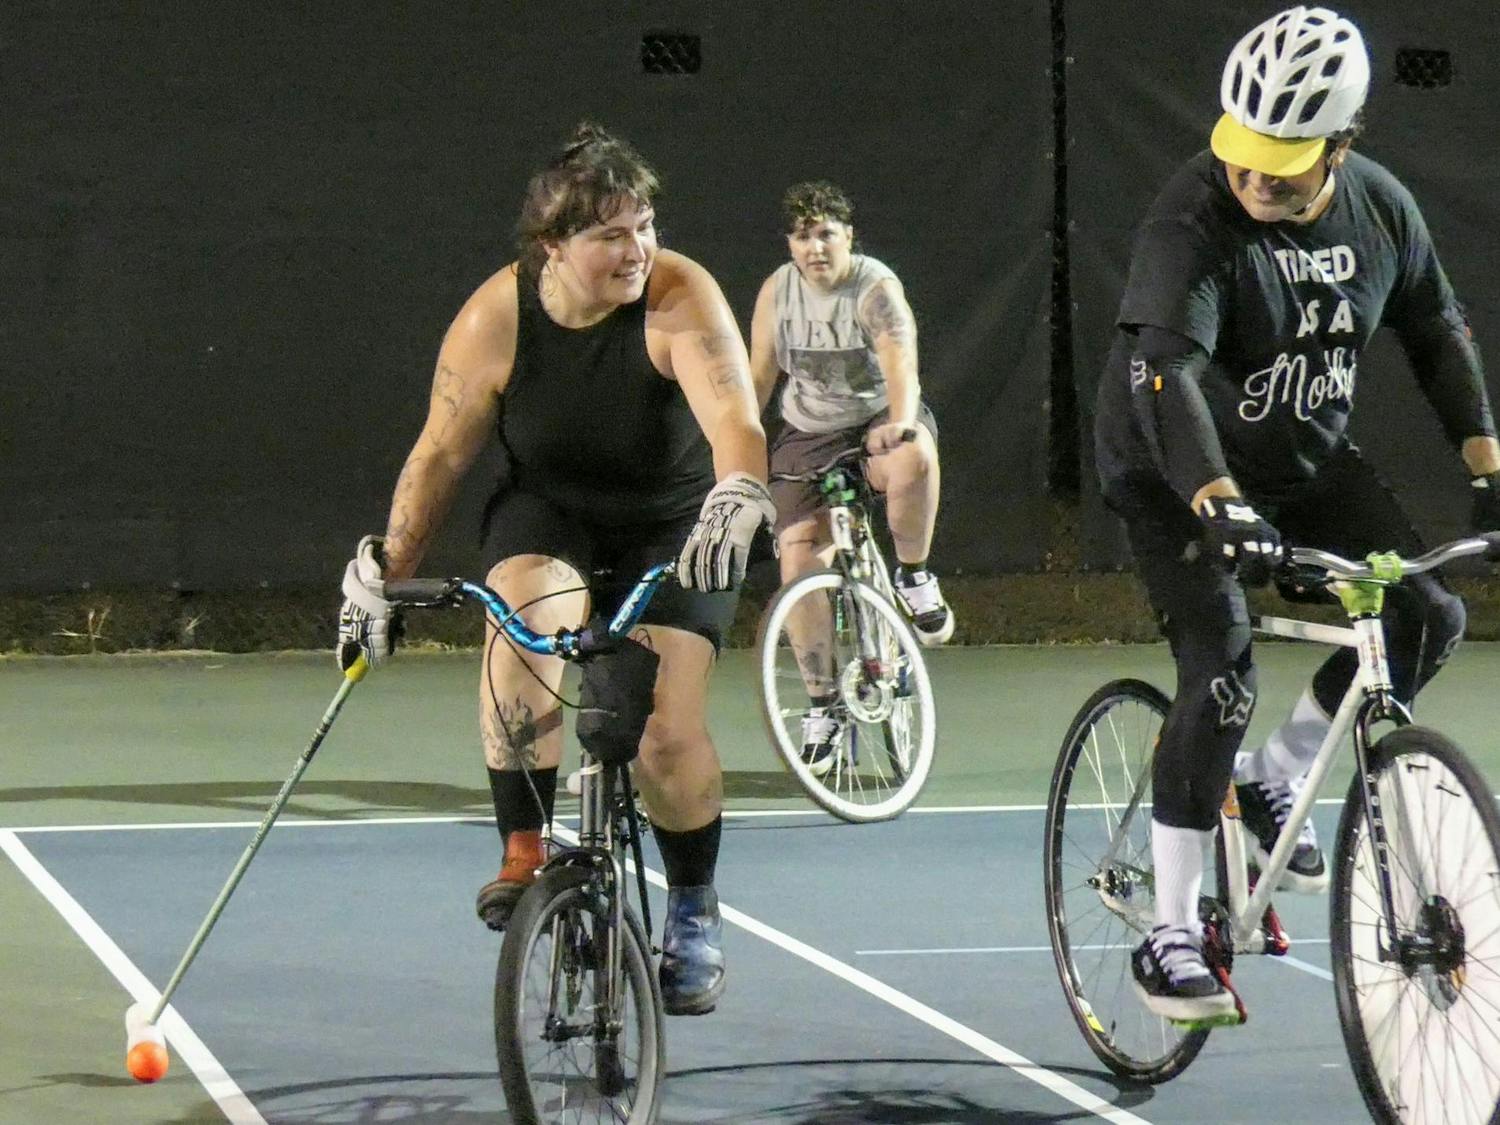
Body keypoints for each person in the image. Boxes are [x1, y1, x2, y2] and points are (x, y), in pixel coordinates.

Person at [1093, 6, 1500, 1023]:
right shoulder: (1192, 217)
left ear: (1345, 144)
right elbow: (1166, 371)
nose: (1256, 180)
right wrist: (1217, 498)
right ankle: (1173, 933)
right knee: (1222, 668)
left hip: (1305, 458)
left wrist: (1488, 465)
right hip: (1171, 466)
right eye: (1246, 157)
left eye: (1285, 163)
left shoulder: (1381, 211)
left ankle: (1276, 782)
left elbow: (1437, 333)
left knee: (1426, 615)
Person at [335, 123, 773, 1017]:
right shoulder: (496, 317)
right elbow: (439, 456)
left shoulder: (680, 295)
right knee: (521, 620)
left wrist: (741, 490)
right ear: (552, 248)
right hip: (554, 509)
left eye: (644, 224)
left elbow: (737, 423)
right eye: (610, 234)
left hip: (680, 522)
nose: (637, 249)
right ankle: (524, 846)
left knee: (659, 727)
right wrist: (385, 575)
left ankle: (691, 906)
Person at [749, 180, 953, 773]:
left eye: (826, 235)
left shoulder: (874, 288)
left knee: (914, 458)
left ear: (848, 237)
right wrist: (741, 446)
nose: (815, 247)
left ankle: (913, 575)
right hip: (806, 434)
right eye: (803, 236)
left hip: (875, 421)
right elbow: (760, 376)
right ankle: (823, 706)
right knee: (797, 564)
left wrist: (902, 422)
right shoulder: (777, 293)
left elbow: (901, 363)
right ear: (791, 243)